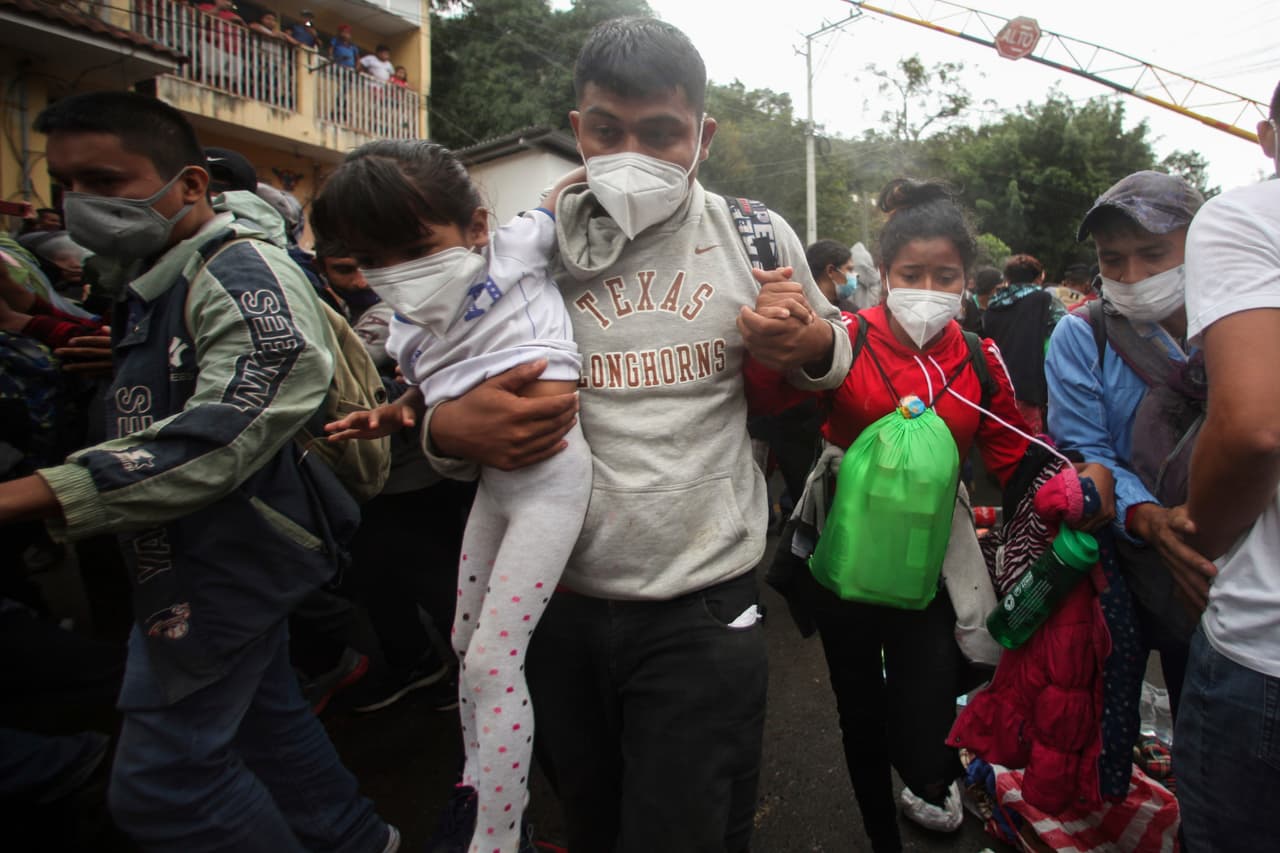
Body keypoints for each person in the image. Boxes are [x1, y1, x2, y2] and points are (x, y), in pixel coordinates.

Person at [419, 17, 851, 853]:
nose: (632, 153)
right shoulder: (524, 251)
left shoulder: (753, 235)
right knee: (591, 812)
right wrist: (446, 429)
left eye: (661, 134)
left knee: (684, 828)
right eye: (608, 130)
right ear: (578, 127)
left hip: (703, 604)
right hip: (552, 604)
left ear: (703, 136)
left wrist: (808, 344)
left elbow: (835, 349)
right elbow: (443, 382)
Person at [0, 91, 397, 852]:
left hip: (228, 553)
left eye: (107, 181)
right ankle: (352, 835)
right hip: (184, 547)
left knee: (166, 782)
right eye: (69, 184)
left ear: (187, 185)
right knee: (266, 717)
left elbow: (228, 429)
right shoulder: (151, 279)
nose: (83, 203)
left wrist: (36, 493)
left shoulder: (246, 276)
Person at [749, 179, 1049, 852]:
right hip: (843, 565)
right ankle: (881, 837)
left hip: (932, 572)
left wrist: (1068, 488)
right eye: (911, 274)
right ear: (883, 275)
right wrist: (773, 342)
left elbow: (1015, 453)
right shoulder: (843, 339)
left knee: (924, 718)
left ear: (967, 280)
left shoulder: (977, 357)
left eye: (945, 275)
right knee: (858, 713)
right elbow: (772, 395)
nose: (928, 287)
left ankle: (928, 774)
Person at [315, 141, 590, 853]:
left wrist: (615, 164)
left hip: (552, 478)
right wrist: (394, 410)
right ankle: (483, 787)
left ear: (474, 225)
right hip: (493, 490)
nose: (396, 274)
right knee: (469, 644)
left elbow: (566, 194)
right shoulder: (407, 327)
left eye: (413, 247)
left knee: (494, 660)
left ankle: (494, 833)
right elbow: (435, 376)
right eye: (373, 259)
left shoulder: (512, 250)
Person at [1045, 170, 1205, 715]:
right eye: (1113, 260)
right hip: (1135, 553)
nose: (1132, 276)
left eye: (1154, 254)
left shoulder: (1240, 325)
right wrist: (1152, 521)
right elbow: (1089, 451)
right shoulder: (1081, 334)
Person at [1172, 79, 1280, 851]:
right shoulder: (1082, 334)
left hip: (1264, 646)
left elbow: (1249, 429)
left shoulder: (1249, 217)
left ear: (1268, 138)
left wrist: (1196, 534)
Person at [981, 253, 1065, 432]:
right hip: (1028, 389)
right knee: (1028, 447)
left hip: (995, 389)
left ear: (1008, 279)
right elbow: (1064, 333)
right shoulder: (1044, 300)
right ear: (1037, 278)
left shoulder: (992, 306)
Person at [806, 238, 857, 306]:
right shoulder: (800, 309)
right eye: (849, 269)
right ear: (830, 271)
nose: (856, 275)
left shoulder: (851, 312)